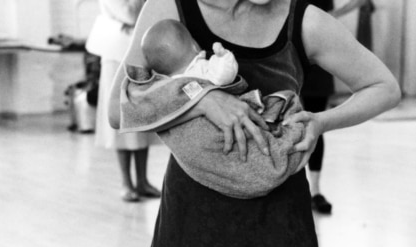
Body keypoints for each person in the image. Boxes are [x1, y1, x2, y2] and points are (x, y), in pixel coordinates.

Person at [109, 0, 400, 247]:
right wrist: (201, 97)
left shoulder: (304, 19)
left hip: (275, 226)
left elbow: (384, 86)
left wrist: (320, 121)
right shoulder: (168, 7)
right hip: (195, 222)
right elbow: (117, 109)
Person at [119, 18, 307, 199]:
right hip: (216, 134)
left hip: (196, 162)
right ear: (194, 46)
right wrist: (223, 55)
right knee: (279, 108)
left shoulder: (164, 90)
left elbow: (132, 111)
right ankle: (287, 143)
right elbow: (225, 74)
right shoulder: (202, 68)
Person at [86, 0, 161, 202]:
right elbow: (130, 14)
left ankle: (143, 181)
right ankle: (126, 183)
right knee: (121, 117)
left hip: (141, 52)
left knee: (143, 116)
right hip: (116, 54)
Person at [303, 0, 374, 214]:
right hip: (288, 59)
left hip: (315, 64)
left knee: (316, 127)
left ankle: (314, 190)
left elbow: (325, 21)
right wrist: (350, 7)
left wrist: (350, 7)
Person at [141, 19, 238, 85]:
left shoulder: (167, 87)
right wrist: (223, 57)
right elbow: (223, 76)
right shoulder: (201, 68)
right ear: (195, 46)